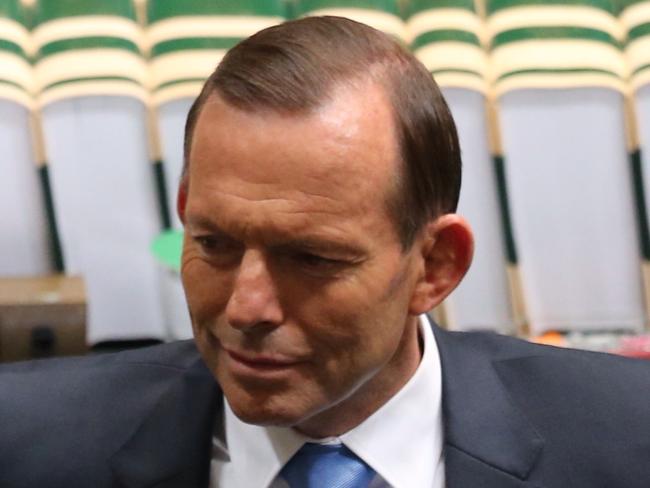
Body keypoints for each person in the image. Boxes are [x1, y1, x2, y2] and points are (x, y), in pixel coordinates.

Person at [2, 16, 650, 488]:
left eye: (311, 258)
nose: (247, 307)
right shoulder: (25, 442)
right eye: (215, 244)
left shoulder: (627, 438)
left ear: (436, 266)